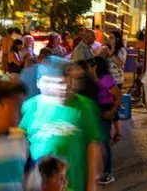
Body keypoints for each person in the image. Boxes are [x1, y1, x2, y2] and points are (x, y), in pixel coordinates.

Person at [21, 56, 103, 191]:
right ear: (39, 83)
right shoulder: (30, 107)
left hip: (75, 184)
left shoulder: (85, 107)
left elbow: (93, 146)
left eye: (68, 81)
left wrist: (92, 185)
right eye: (57, 83)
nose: (64, 87)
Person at [92, 57, 121, 185]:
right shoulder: (91, 78)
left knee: (104, 142)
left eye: (92, 65)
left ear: (97, 66)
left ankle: (108, 173)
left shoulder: (106, 79)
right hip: (95, 111)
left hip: (105, 110)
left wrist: (112, 112)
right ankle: (99, 170)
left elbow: (118, 95)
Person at [108, 31, 126, 96]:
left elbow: (120, 64)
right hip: (107, 79)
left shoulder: (121, 50)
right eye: (109, 37)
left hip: (117, 79)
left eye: (111, 38)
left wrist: (112, 55)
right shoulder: (106, 48)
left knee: (115, 99)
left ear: (117, 39)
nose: (109, 39)